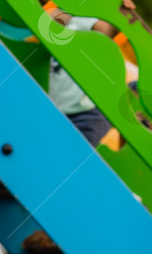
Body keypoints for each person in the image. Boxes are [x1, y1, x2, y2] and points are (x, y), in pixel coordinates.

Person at [42, 0, 137, 146]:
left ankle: (138, 115)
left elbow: (106, 29)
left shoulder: (86, 21)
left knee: (77, 153)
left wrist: (121, 12)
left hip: (88, 111)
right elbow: (51, 16)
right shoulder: (57, 17)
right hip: (60, 110)